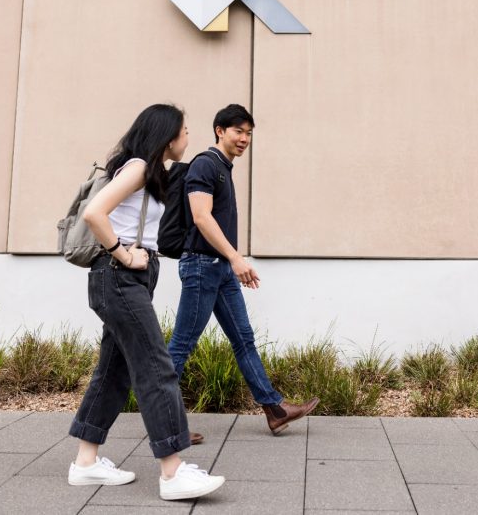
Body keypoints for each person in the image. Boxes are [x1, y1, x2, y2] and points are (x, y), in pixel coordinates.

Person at [67, 104, 225, 501]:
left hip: (127, 279)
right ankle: (173, 473)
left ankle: (85, 463)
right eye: (185, 131)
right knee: (157, 367)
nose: (188, 137)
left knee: (114, 371)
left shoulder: (149, 172)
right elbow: (94, 213)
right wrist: (123, 254)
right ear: (167, 135)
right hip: (119, 277)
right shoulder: (138, 166)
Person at [168, 104, 319, 435]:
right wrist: (236, 258)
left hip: (219, 269)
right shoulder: (206, 165)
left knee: (243, 340)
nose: (244, 138)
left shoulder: (224, 167)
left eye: (249, 133)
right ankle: (161, 421)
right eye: (238, 131)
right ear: (220, 130)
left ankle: (275, 409)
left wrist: (230, 261)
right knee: (182, 345)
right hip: (202, 266)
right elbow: (201, 217)